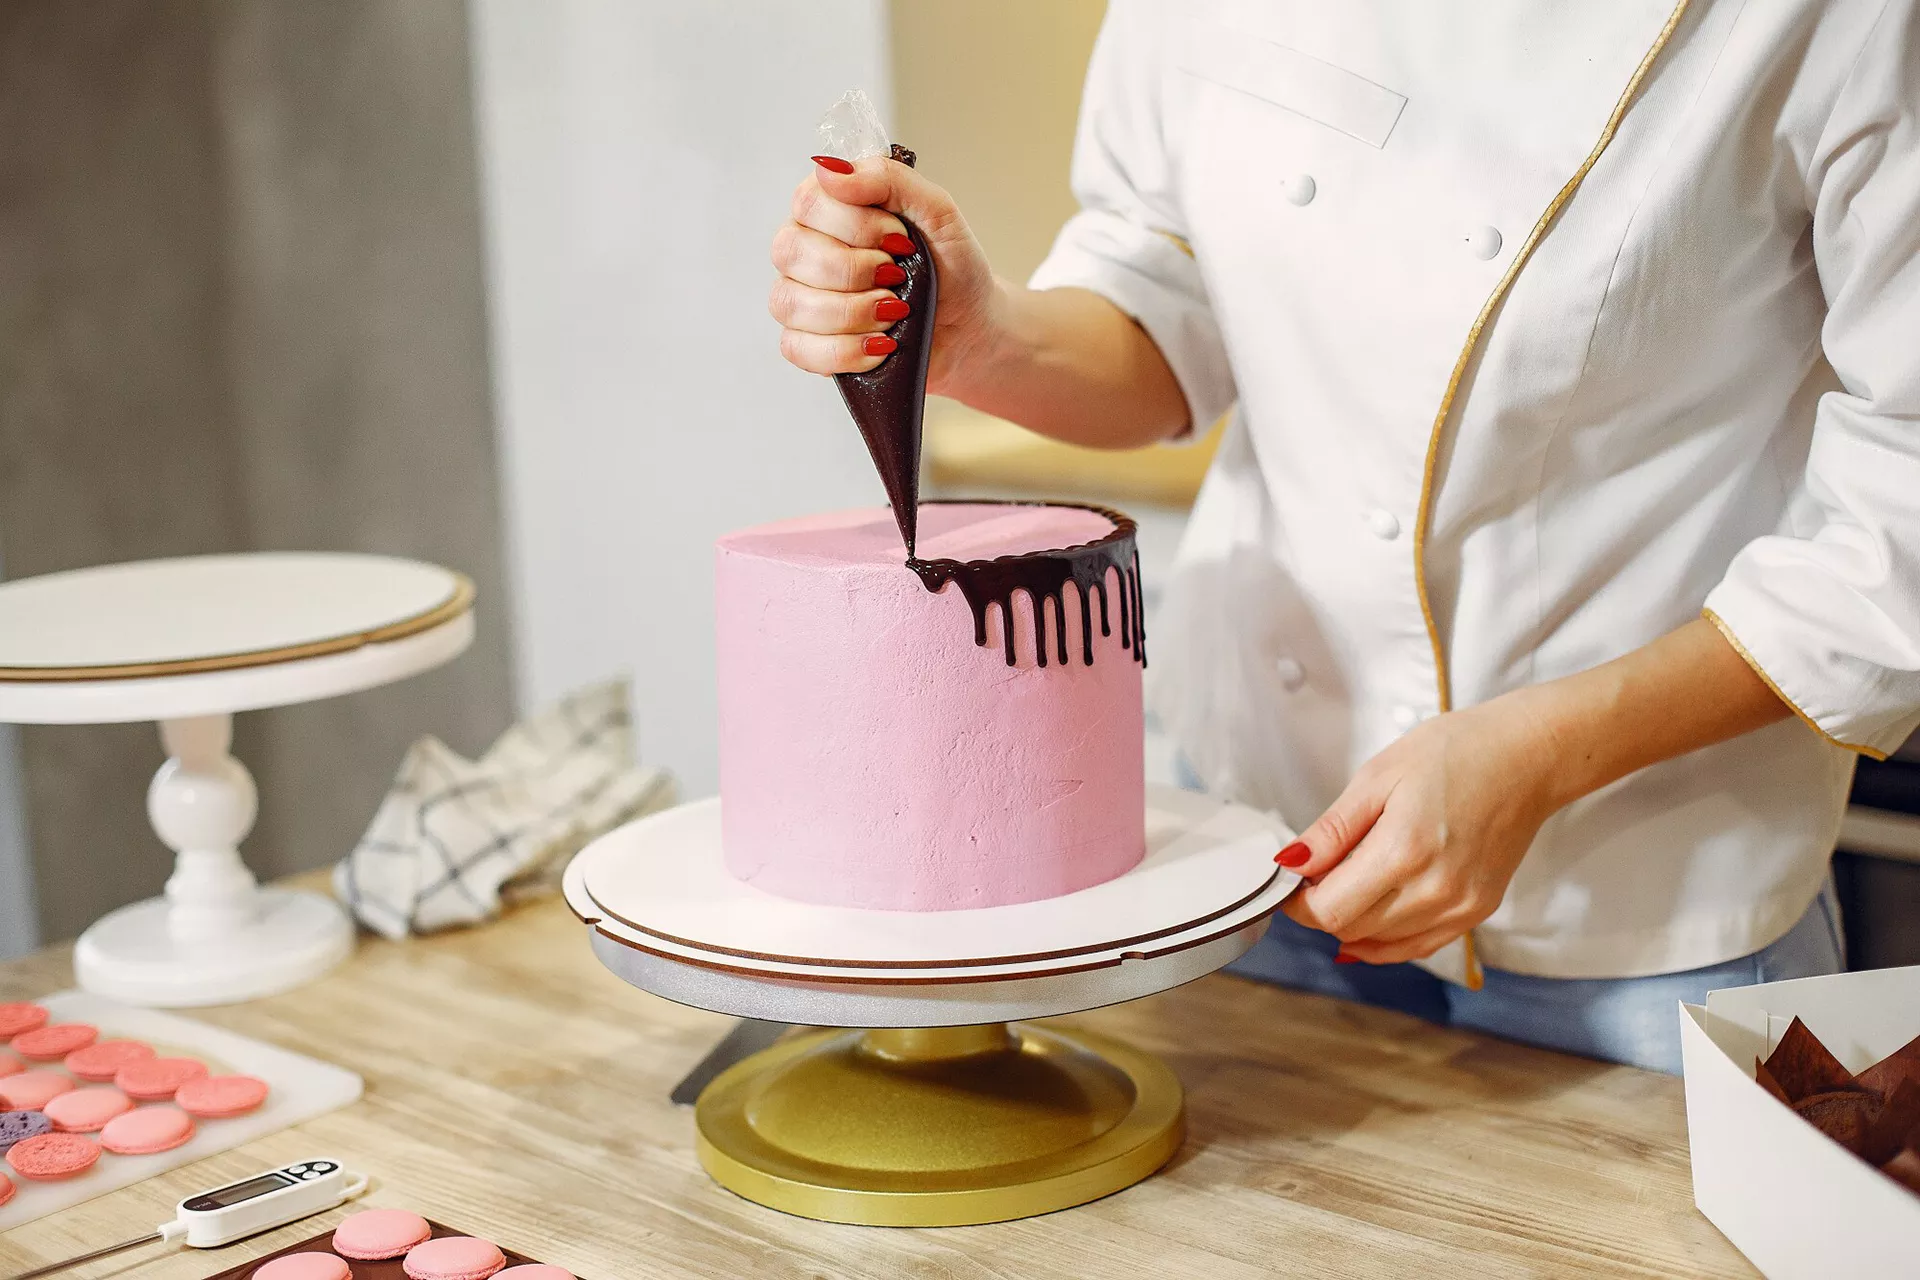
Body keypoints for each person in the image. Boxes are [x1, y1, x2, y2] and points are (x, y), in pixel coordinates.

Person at [766, 1, 1920, 1073]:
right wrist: (986, 337)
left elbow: (1899, 516)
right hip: (1252, 864)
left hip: (1642, 919)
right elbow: (1168, 295)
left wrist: (1539, 754)